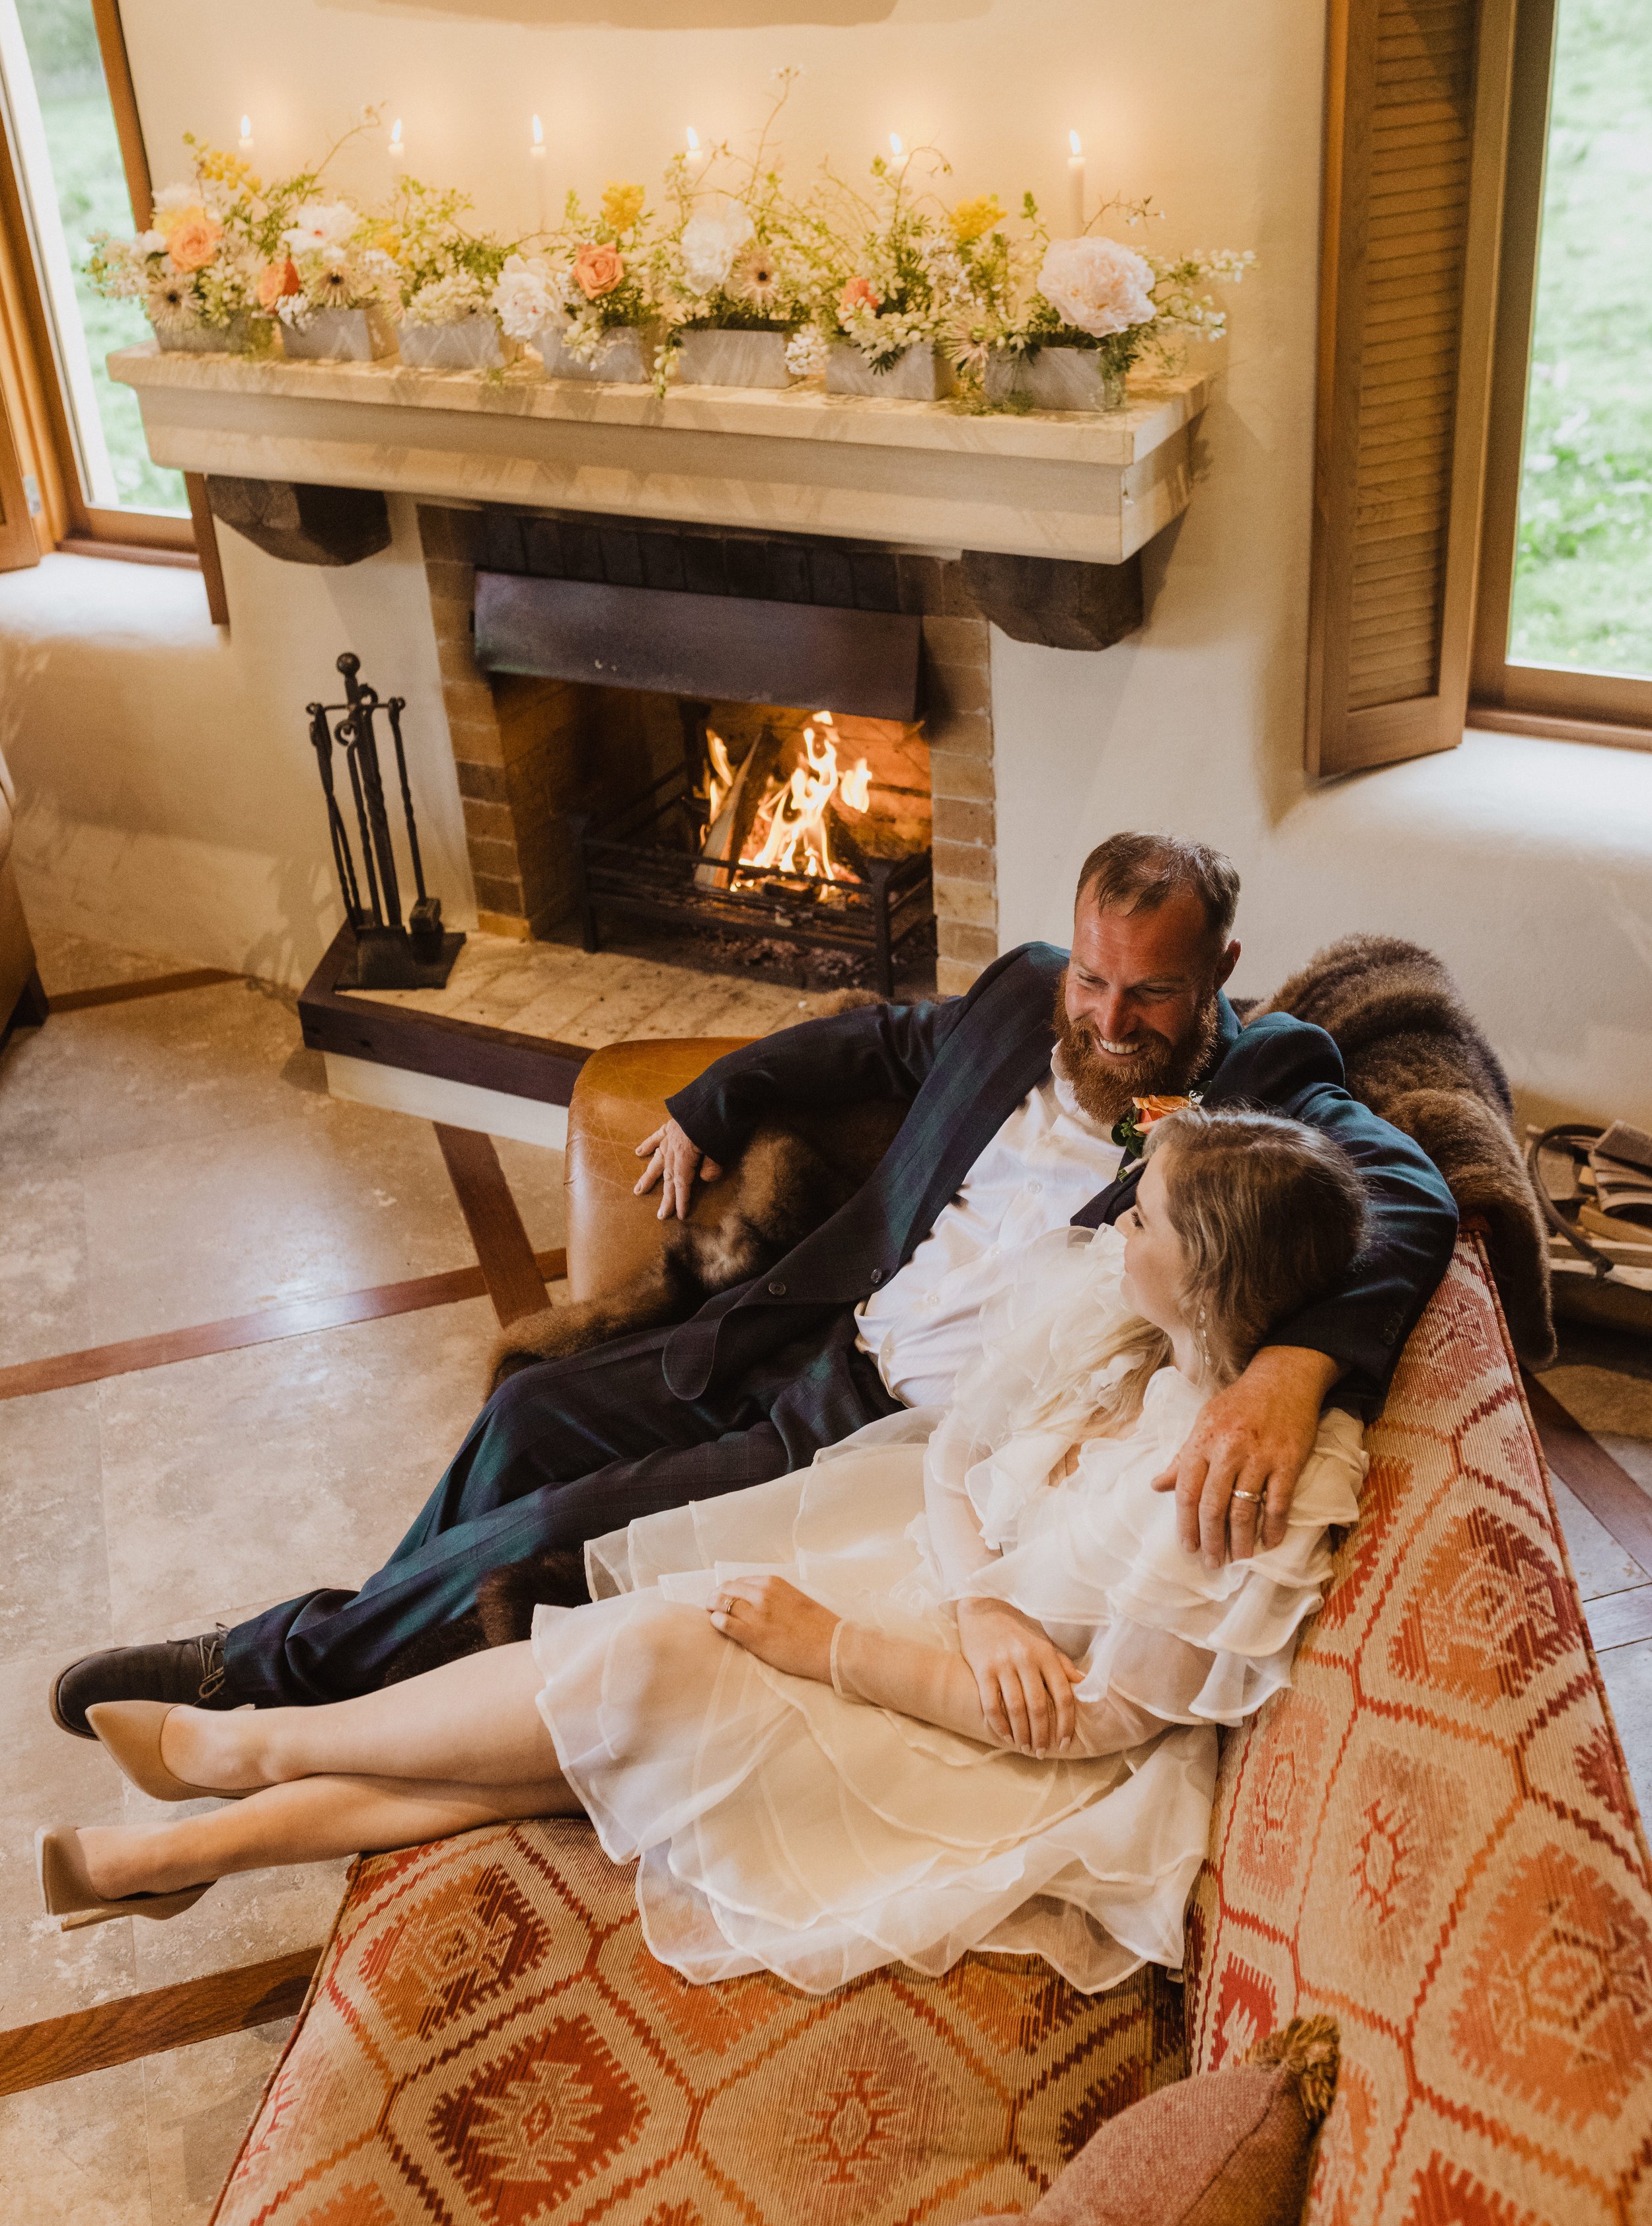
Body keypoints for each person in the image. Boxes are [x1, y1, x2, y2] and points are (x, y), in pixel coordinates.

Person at [50, 832, 1458, 1730]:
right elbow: (869, 1040)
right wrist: (714, 1102)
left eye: (1147, 994)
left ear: (1216, 969)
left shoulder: (1271, 1089)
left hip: (889, 1442)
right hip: (799, 1339)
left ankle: (262, 1675)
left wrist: (1290, 1366)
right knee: (526, 1416)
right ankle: (389, 1644)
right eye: (1093, 981)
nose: (1107, 1020)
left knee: (552, 1525)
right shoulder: (1027, 1001)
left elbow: (1409, 1193)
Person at [42, 1110, 1370, 1997]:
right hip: (925, 1596)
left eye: (1147, 1220)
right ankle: (172, 1850)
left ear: (1201, 1273)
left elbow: (1086, 1725)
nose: (1117, 1219)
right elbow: (959, 1458)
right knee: (585, 1725)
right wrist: (972, 1601)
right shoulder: (1110, 1318)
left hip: (978, 1751)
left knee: (646, 1657)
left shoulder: (1235, 1480)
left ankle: (242, 1753)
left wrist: (835, 1645)